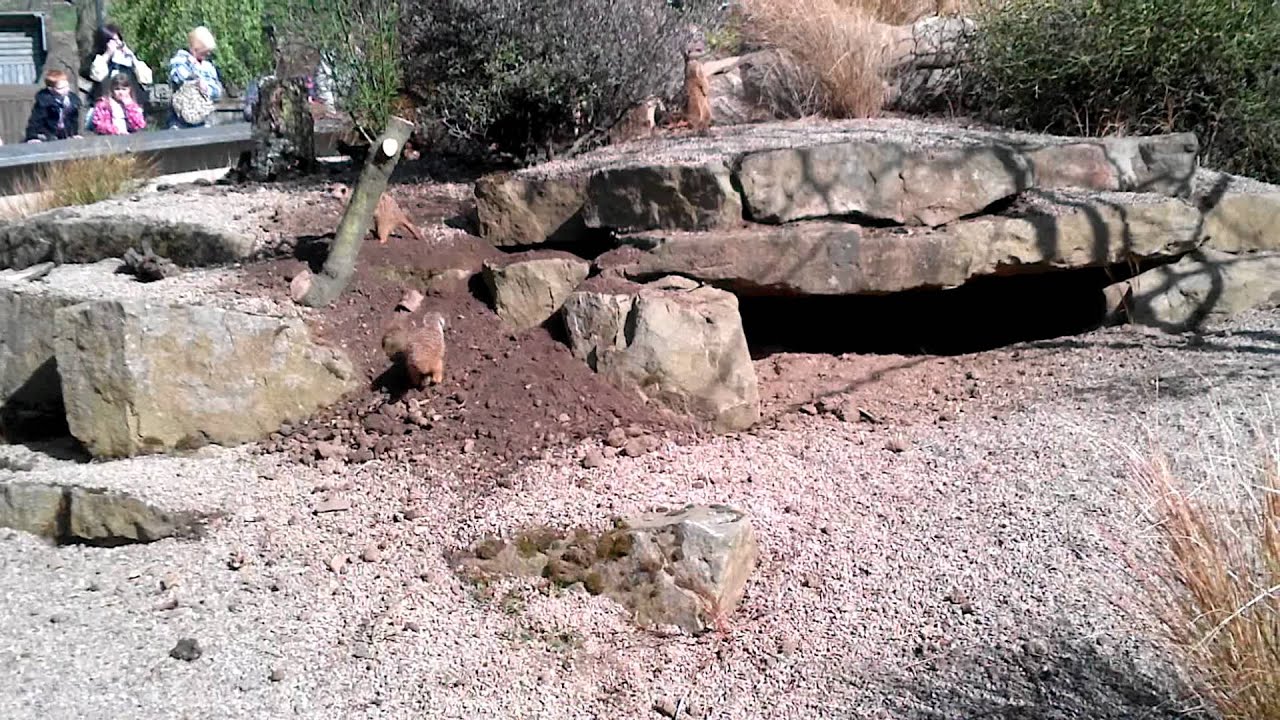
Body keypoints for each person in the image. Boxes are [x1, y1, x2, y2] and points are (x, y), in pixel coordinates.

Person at [166, 26, 224, 129]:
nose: (208, 54)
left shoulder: (208, 67)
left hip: (203, 120)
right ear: (195, 49)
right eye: (205, 51)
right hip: (180, 122)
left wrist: (207, 88)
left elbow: (217, 91)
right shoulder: (179, 61)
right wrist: (195, 75)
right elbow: (178, 77)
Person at [79, 24, 153, 105]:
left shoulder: (128, 58)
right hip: (105, 107)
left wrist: (132, 57)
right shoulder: (96, 59)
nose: (118, 43)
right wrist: (108, 54)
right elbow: (97, 76)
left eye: (119, 40)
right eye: (114, 40)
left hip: (131, 104)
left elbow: (146, 79)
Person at [23, 70, 83, 143]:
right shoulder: (44, 102)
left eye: (67, 86)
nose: (66, 90)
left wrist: (74, 134)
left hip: (64, 133)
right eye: (61, 88)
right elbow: (35, 120)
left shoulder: (72, 101)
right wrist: (32, 136)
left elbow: (73, 120)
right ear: (51, 89)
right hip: (47, 133)